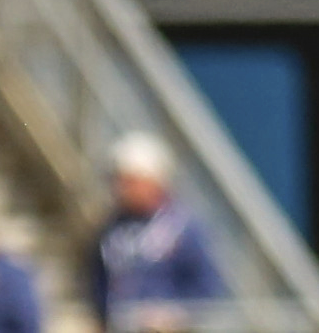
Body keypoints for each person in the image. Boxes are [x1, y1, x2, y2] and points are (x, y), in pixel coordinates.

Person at [92, 133, 222, 333]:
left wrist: (172, 315)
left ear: (154, 181)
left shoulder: (183, 229)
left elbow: (206, 288)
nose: (122, 189)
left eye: (131, 181)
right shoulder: (111, 229)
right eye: (118, 180)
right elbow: (98, 281)